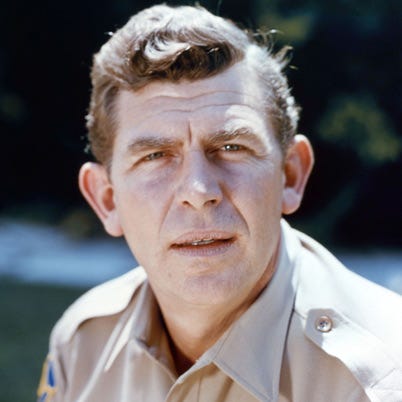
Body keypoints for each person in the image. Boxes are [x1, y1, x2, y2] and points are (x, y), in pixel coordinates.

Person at [37, 4, 402, 402]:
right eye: (155, 156)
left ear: (291, 175)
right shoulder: (82, 344)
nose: (198, 189)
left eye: (231, 146)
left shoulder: (382, 378)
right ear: (106, 199)